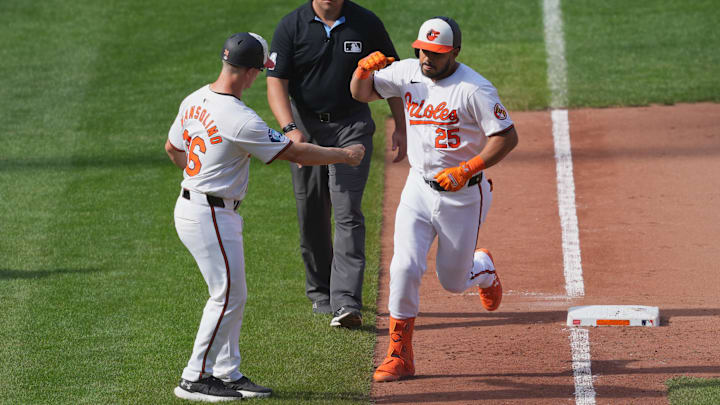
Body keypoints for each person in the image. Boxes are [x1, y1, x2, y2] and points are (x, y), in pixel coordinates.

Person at [165, 32, 365, 402]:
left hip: (196, 206)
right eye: (260, 71)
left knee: (233, 294)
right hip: (209, 213)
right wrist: (344, 154)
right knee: (225, 295)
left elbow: (173, 148)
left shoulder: (195, 98)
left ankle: (227, 372)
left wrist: (199, 178)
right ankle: (194, 377)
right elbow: (298, 154)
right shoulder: (240, 119)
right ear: (251, 71)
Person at [350, 17, 519, 382]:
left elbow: (507, 137)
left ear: (454, 52)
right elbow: (360, 94)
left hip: (464, 196)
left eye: (437, 53)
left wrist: (465, 168)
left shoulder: (475, 89)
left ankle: (483, 268)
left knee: (453, 282)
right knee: (403, 267)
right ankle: (399, 355)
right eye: (423, 50)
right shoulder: (407, 72)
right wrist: (362, 71)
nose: (428, 58)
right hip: (418, 187)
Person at [266, 0, 407, 329]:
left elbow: (395, 76)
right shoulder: (292, 26)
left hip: (351, 126)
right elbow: (276, 81)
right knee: (311, 210)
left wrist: (401, 125)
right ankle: (320, 291)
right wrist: (290, 129)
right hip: (306, 128)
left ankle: (347, 301)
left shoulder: (366, 23)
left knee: (347, 211)